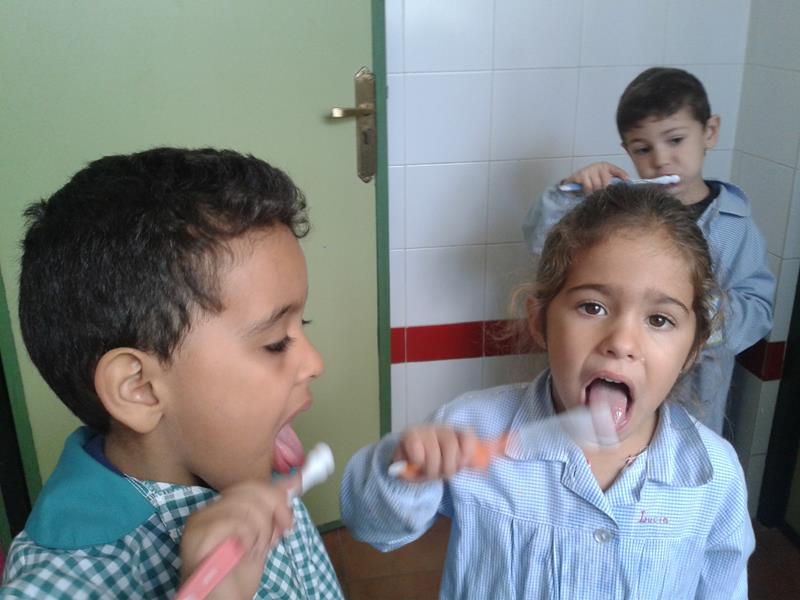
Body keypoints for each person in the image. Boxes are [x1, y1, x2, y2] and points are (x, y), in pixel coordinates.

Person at [341, 185, 754, 599]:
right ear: (540, 321)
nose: (622, 342)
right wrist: (404, 469)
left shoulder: (714, 476)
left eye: (659, 320)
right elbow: (371, 528)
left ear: (692, 349)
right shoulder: (469, 427)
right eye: (593, 307)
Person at [0, 148, 343, 599]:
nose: (314, 363)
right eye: (276, 341)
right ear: (139, 388)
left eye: (303, 325)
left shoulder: (253, 465)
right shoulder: (61, 585)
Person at [523, 66, 775, 435]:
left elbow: (758, 311)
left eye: (675, 140)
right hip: (607, 387)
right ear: (627, 151)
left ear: (710, 132)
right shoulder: (617, 214)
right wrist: (569, 193)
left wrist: (693, 315)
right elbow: (540, 241)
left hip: (695, 403)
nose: (661, 160)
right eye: (643, 149)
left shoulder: (735, 227)